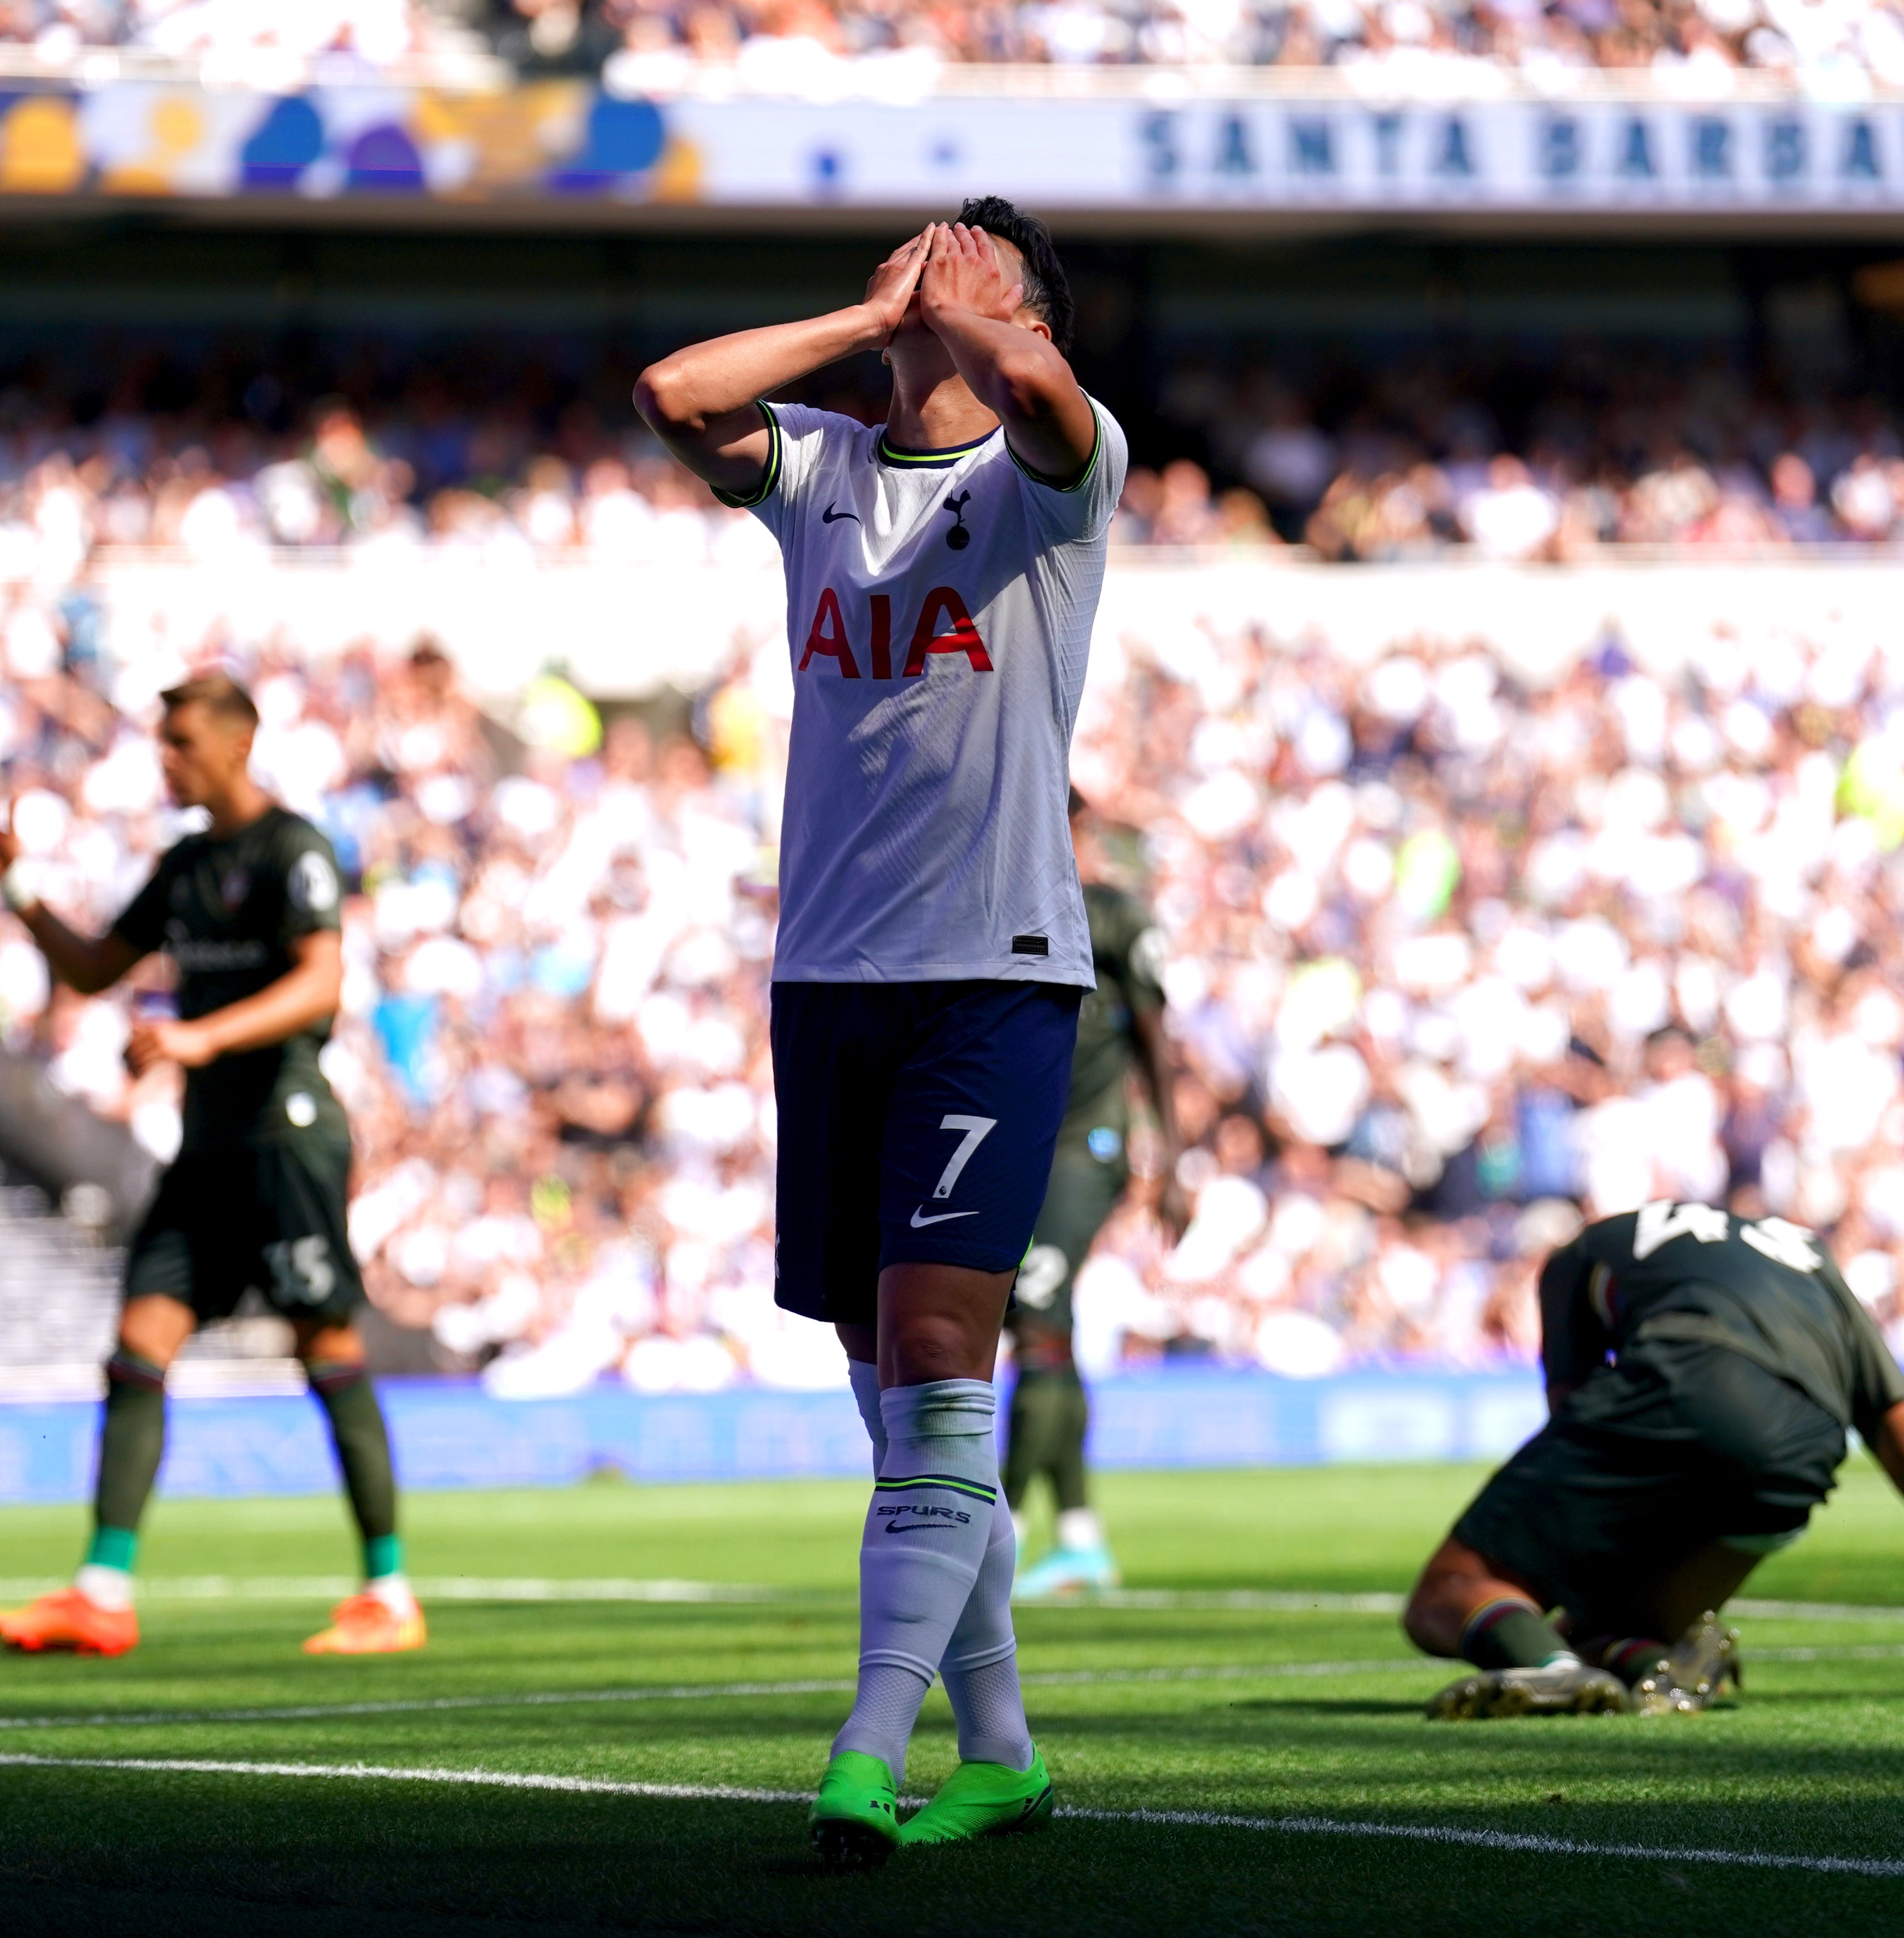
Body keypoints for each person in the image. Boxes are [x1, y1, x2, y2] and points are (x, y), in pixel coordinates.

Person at [637, 198, 1126, 1863]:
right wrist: (867, 322)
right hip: (827, 977)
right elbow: (669, 391)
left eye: (960, 252)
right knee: (889, 1393)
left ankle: (862, 1745)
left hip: (989, 973)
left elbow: (1047, 398)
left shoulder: (1055, 477)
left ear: (1019, 308)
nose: (924, 258)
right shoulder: (823, 469)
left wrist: (985, 320)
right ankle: (999, 1749)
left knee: (932, 1362)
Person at [0, 674, 420, 1659]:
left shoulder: (291, 849)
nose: (165, 758)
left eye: (181, 742)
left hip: (287, 1138)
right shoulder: (185, 862)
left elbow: (322, 979)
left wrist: (199, 1037)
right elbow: (90, 969)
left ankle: (388, 1591)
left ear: (237, 745)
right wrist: (13, 882)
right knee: (137, 1345)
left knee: (325, 1347)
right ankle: (101, 1591)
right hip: (206, 1148)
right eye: (161, 742)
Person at [1404, 1202, 1904, 1718]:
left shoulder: (1580, 1252)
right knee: (1604, 1620)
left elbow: (1575, 1417)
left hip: (1681, 1378)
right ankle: (1648, 1662)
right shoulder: (1813, 1267)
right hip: (1801, 1452)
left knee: (1451, 1589)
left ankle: (1551, 1667)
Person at [1009, 792, 1185, 1600]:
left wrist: (1172, 1162)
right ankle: (1079, 1534)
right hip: (1015, 1150)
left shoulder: (1111, 913)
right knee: (1043, 1332)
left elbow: (1154, 1034)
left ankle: (999, 1533)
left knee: (1039, 1312)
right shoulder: (993, 909)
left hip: (1090, 1147)